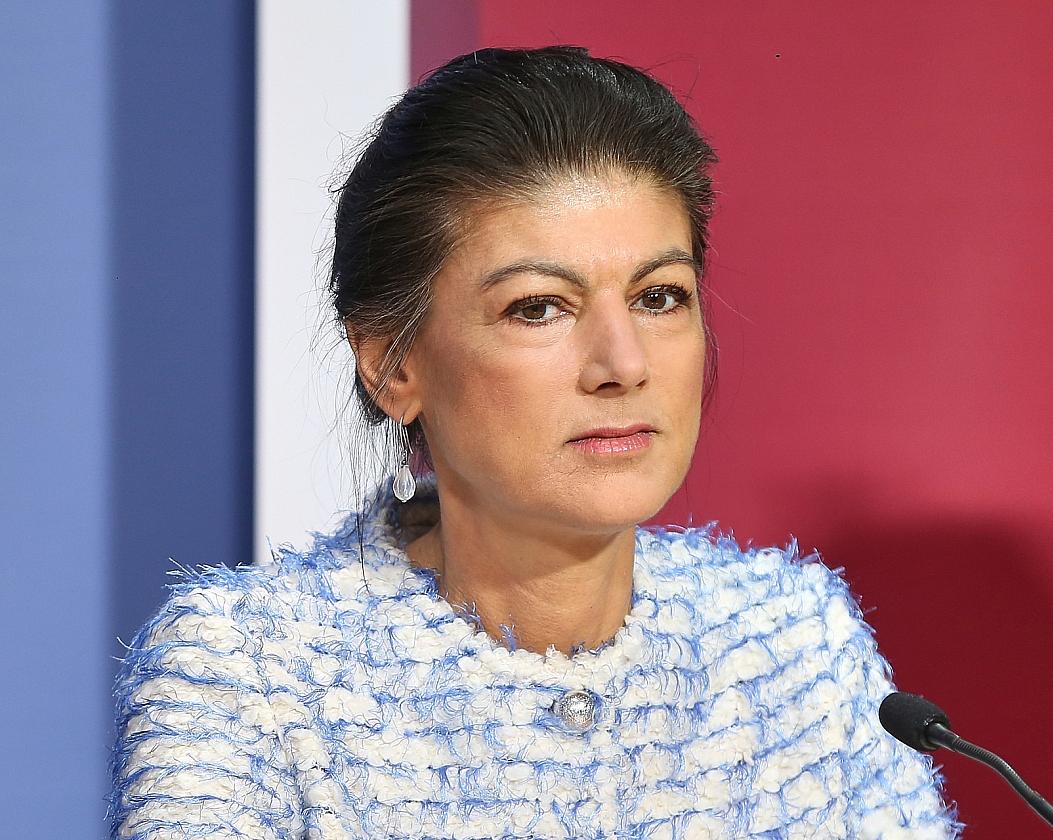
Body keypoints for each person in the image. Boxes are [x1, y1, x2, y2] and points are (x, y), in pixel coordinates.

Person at [107, 45, 963, 839]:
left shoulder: (792, 643)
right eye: (539, 307)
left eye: (660, 296)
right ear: (393, 365)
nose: (623, 364)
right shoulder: (248, 673)